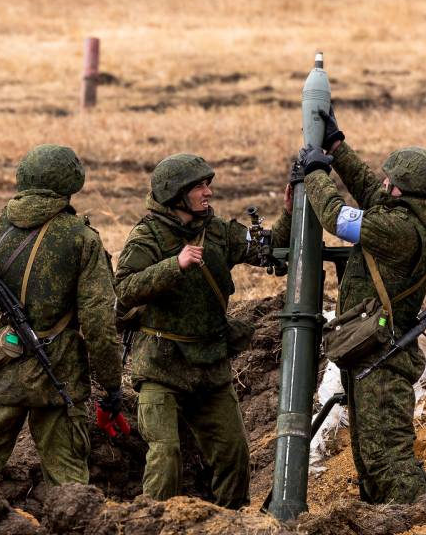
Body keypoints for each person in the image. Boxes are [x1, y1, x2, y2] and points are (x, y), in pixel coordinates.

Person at [114, 153, 292, 509]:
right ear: (175, 194)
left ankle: (230, 521)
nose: (208, 192)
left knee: (233, 453)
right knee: (165, 456)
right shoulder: (147, 237)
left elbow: (267, 249)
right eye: (199, 186)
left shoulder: (218, 232)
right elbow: (124, 288)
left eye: (208, 185)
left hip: (210, 365)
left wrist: (289, 213)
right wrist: (174, 265)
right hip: (161, 367)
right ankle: (154, 522)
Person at [293, 107, 426, 504]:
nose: (383, 183)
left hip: (382, 358)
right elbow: (370, 190)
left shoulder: (398, 229)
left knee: (388, 461)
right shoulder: (406, 214)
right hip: (372, 350)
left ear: (403, 190)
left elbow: (336, 217)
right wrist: (336, 147)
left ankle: (423, 520)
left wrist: (315, 172)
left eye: (390, 180)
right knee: (371, 456)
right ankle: (389, 515)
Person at [0, 144, 122, 488]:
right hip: (59, 377)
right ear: (72, 181)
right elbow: (99, 324)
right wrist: (112, 385)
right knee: (70, 487)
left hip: (1, 370)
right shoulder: (82, 239)